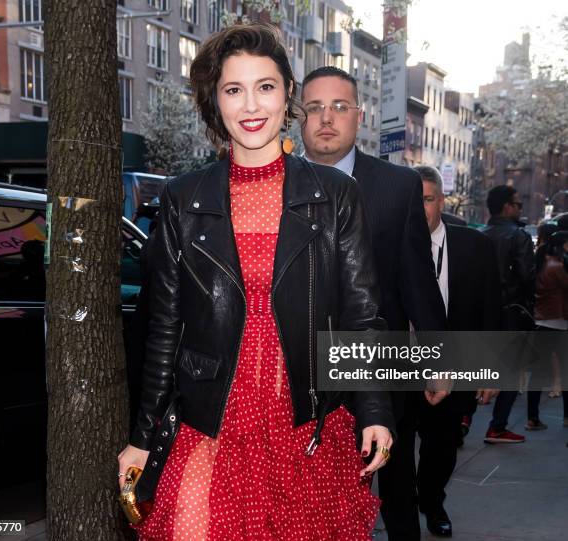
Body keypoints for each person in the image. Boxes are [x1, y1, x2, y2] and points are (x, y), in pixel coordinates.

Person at [118, 24, 394, 541]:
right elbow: (164, 329)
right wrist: (142, 436)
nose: (251, 104)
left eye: (265, 86)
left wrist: (375, 409)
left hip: (304, 419)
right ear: (214, 100)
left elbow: (362, 312)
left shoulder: (335, 194)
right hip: (211, 417)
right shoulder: (184, 197)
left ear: (288, 93)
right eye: (233, 89)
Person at [300, 66, 447, 541]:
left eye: (339, 107)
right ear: (298, 117)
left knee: (395, 484)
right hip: (296, 370)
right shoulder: (273, 182)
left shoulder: (396, 185)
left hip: (377, 367)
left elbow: (416, 278)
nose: (327, 118)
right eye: (315, 108)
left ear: (358, 117)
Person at [414, 165, 502, 537]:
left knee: (443, 446)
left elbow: (491, 309)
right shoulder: (384, 245)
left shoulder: (474, 247)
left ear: (441, 201)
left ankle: (432, 501)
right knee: (392, 449)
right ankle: (401, 510)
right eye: (412, 201)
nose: (420, 209)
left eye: (428, 200)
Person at [482, 185, 535, 443]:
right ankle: (498, 425)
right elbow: (527, 276)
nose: (520, 208)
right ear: (507, 207)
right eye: (518, 204)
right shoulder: (518, 236)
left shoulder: (480, 235)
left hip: (482, 312)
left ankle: (464, 418)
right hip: (512, 312)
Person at [528, 227, 568, 428]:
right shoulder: (556, 266)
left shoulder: (544, 262)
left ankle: (532, 417)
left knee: (539, 373)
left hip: (544, 322)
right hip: (557, 323)